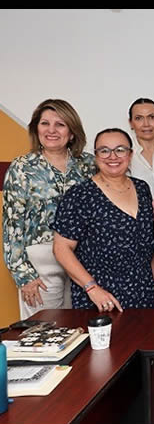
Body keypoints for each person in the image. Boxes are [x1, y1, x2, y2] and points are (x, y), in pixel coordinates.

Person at [2, 99, 96, 319]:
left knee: (79, 328)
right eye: (45, 123)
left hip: (83, 259)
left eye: (60, 124)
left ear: (72, 132)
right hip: (41, 264)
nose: (51, 130)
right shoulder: (22, 167)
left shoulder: (89, 165)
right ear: (36, 129)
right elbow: (12, 226)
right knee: (45, 330)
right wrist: (24, 275)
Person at [52, 128, 154, 311]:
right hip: (100, 299)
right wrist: (92, 288)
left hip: (143, 293)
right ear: (96, 156)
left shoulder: (142, 189)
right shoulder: (80, 195)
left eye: (120, 149)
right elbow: (61, 248)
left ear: (130, 154)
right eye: (104, 150)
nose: (113, 156)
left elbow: (150, 242)